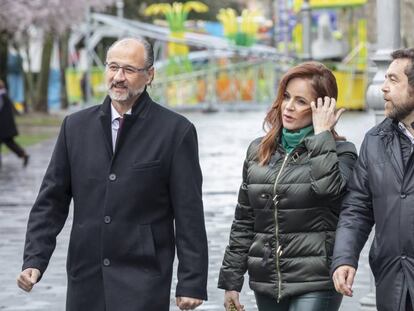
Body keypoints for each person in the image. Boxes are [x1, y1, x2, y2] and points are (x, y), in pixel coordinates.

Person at [17, 37, 208, 311]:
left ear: (150, 75)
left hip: (143, 278)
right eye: (113, 67)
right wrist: (34, 259)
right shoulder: (75, 127)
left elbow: (189, 212)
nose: (119, 77)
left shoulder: (176, 132)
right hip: (86, 276)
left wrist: (191, 281)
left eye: (129, 70)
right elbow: (51, 201)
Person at [218, 62, 358, 311]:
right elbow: (244, 221)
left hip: (316, 280)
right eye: (286, 97)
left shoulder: (342, 153)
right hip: (267, 280)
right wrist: (231, 282)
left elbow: (328, 192)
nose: (288, 107)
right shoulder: (258, 150)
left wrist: (322, 135)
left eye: (301, 101)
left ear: (321, 107)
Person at [332, 48, 414, 311]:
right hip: (393, 281)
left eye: (393, 80)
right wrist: (345, 258)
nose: (383, 88)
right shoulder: (374, 140)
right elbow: (357, 207)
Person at [0, 79, 29, 167]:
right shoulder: (5, 95)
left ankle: (24, 155)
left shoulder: (1, 96)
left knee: (10, 143)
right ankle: (24, 154)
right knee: (10, 143)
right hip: (6, 126)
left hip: (3, 127)